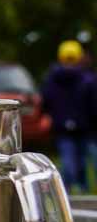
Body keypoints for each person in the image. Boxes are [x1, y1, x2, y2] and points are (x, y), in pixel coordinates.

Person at [43, 40, 97, 193]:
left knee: (70, 161)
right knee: (79, 162)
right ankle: (78, 190)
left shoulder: (52, 79)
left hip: (63, 127)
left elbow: (46, 101)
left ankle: (66, 190)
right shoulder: (88, 79)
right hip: (85, 127)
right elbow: (93, 104)